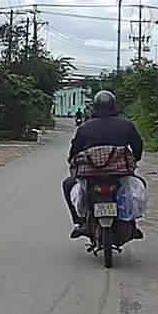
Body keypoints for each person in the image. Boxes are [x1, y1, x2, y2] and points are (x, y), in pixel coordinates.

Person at [63, 90, 145, 239]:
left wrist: (72, 162)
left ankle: (81, 222)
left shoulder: (85, 127)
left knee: (68, 184)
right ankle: (131, 222)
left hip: (91, 175)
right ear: (114, 106)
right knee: (139, 184)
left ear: (95, 107)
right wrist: (135, 159)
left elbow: (75, 151)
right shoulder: (126, 125)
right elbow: (137, 145)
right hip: (119, 173)